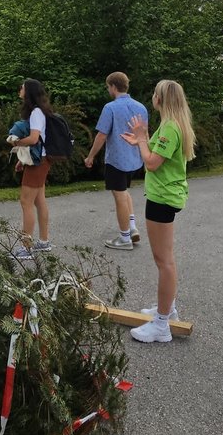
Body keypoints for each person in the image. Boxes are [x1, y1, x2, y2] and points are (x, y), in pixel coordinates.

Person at [121, 80, 196, 343]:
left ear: (160, 99)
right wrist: (139, 141)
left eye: (154, 93)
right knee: (164, 259)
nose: (152, 97)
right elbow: (155, 154)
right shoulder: (170, 125)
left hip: (162, 197)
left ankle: (162, 325)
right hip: (163, 195)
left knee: (164, 261)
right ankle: (168, 309)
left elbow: (152, 163)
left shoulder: (170, 128)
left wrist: (142, 139)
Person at [83, 72, 149, 249]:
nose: (108, 90)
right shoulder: (141, 107)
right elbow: (145, 134)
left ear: (113, 86)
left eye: (108, 87)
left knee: (119, 196)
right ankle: (132, 227)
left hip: (116, 160)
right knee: (124, 192)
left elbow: (101, 135)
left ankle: (124, 238)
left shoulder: (110, 107)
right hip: (135, 159)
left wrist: (90, 156)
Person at [9, 78, 53, 258]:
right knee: (39, 201)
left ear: (28, 92)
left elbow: (34, 139)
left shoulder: (35, 112)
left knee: (26, 202)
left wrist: (16, 142)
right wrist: (23, 159)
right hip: (40, 159)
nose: (20, 90)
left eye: (22, 88)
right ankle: (44, 241)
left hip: (38, 162)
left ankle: (26, 248)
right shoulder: (41, 111)